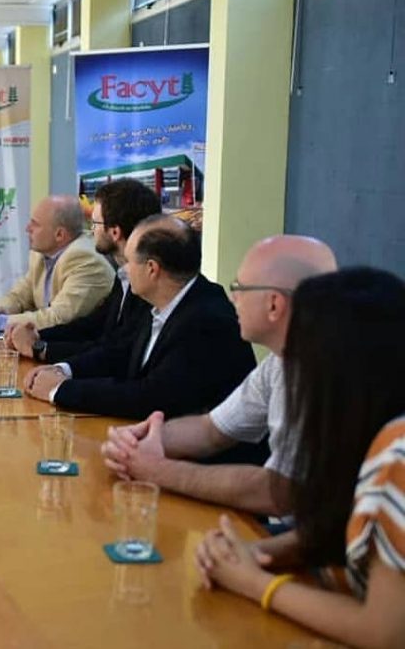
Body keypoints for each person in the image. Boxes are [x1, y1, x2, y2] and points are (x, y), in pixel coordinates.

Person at [194, 268, 405, 648]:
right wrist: (255, 553)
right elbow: (340, 529)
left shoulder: (398, 454)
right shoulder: (367, 430)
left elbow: (384, 631)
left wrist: (254, 582)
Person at [101, 235, 338, 516]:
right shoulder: (279, 363)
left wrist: (159, 471)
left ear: (274, 304)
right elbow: (211, 430)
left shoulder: (321, 372)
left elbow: (279, 492)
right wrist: (139, 441)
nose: (233, 298)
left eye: (240, 288)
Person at [24, 215, 255, 421]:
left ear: (152, 269)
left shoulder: (206, 320)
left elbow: (151, 397)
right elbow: (119, 352)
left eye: (130, 261)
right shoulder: (163, 302)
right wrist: (63, 370)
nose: (124, 270)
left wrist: (60, 389)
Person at [6, 179, 160, 362]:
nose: (90, 232)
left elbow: (118, 352)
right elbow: (94, 325)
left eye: (94, 224)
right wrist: (38, 336)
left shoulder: (146, 285)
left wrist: (40, 348)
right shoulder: (124, 275)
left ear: (115, 232)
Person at [0, 194, 114, 331]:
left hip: (78, 341)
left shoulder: (85, 259)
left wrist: (1, 322)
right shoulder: (40, 254)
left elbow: (59, 318)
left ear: (59, 235)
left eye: (35, 224)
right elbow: (20, 296)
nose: (27, 229)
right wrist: (0, 308)